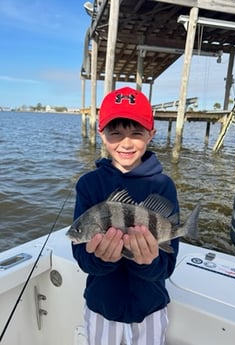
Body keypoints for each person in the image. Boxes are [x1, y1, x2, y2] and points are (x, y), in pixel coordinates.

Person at [72, 86, 179, 345]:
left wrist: (148, 261)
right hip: (101, 306)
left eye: (136, 133)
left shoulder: (163, 186)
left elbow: (167, 266)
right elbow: (83, 259)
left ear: (151, 134)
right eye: (115, 132)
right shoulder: (88, 185)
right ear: (102, 133)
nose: (126, 142)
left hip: (151, 306)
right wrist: (102, 260)